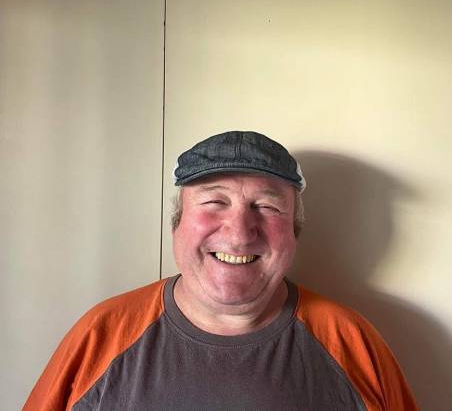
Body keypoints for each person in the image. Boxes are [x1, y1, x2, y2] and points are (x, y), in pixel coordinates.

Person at [24, 131, 418, 410]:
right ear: (176, 224)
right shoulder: (101, 334)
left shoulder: (352, 342)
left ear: (294, 233)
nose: (239, 233)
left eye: (267, 206)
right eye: (214, 202)